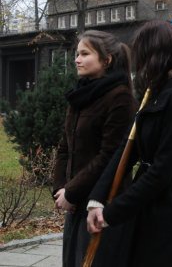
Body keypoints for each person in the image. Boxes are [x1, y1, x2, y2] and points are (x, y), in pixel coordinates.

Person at [86, 21, 172, 266]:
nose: (139, 65)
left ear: (157, 54)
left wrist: (112, 213)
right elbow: (126, 149)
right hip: (148, 209)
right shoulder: (154, 93)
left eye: (142, 55)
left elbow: (163, 169)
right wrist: (97, 198)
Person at [53, 30, 136, 267]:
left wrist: (72, 191)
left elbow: (110, 155)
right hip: (75, 203)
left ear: (106, 59)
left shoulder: (120, 98)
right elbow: (64, 147)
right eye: (77, 54)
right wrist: (61, 190)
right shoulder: (80, 95)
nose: (77, 59)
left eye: (84, 54)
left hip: (101, 204)